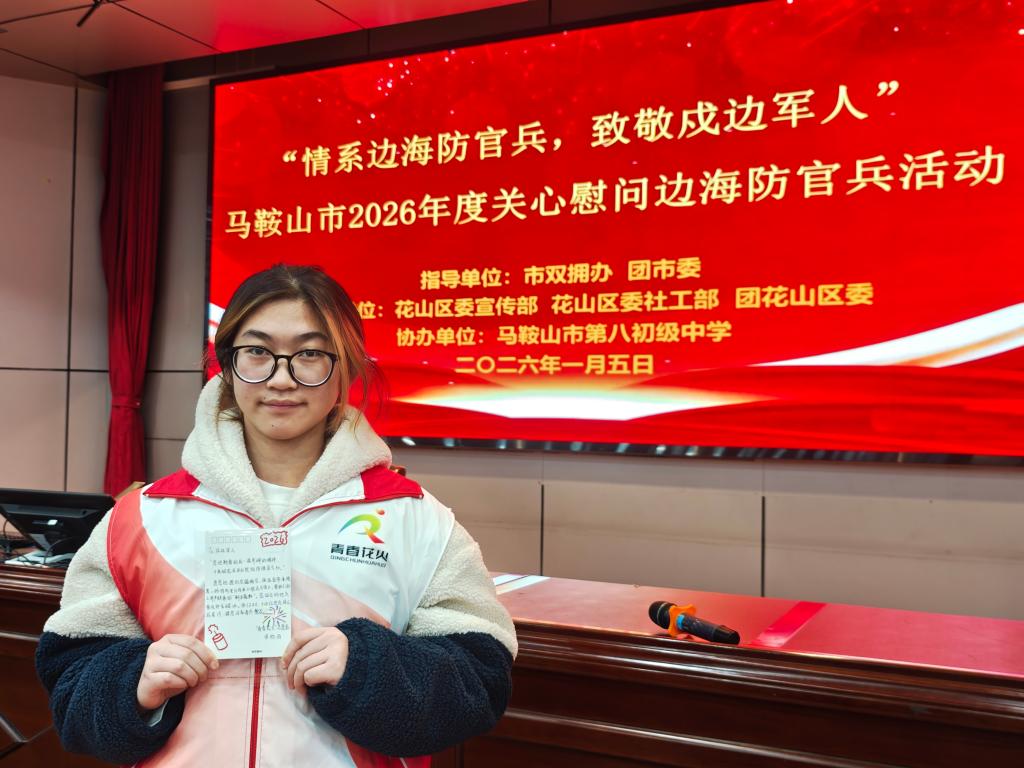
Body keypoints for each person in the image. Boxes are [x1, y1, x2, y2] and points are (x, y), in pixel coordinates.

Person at [35, 264, 517, 767]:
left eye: (310, 354)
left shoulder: (417, 521)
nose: (281, 379)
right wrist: (133, 682)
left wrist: (367, 669)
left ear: (347, 369)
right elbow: (71, 684)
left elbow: (479, 683)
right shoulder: (141, 519)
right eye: (258, 352)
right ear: (227, 365)